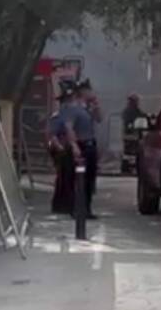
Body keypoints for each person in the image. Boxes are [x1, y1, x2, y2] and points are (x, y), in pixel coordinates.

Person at [67, 78, 100, 218]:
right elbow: (69, 128)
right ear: (82, 91)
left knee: (90, 180)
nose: (91, 92)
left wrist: (96, 107)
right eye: (88, 90)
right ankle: (76, 209)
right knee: (79, 179)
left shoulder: (88, 108)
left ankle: (87, 208)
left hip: (91, 144)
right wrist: (74, 145)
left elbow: (99, 119)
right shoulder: (74, 108)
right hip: (80, 145)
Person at [48, 81, 79, 215]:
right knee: (64, 177)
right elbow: (53, 135)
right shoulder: (58, 116)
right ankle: (61, 205)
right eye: (67, 101)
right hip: (63, 150)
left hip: (73, 150)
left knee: (73, 178)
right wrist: (60, 149)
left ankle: (70, 204)